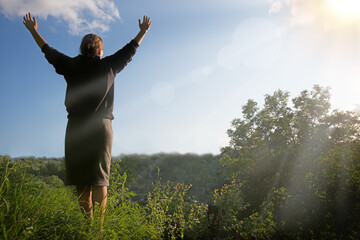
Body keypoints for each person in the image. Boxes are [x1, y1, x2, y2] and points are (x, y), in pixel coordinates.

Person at [23, 12, 151, 224]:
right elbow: (130, 50)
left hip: (76, 128)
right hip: (101, 128)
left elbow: (48, 51)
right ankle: (99, 230)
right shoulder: (109, 65)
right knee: (100, 179)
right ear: (100, 50)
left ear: (82, 49)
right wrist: (142, 32)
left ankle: (87, 226)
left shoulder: (71, 65)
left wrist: (33, 30)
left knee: (82, 182)